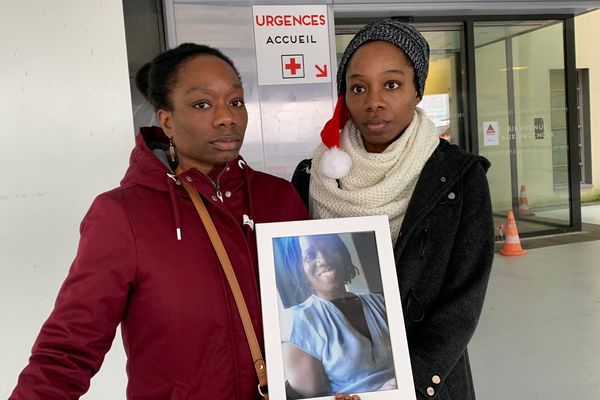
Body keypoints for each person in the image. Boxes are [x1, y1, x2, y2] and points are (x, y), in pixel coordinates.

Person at [10, 43, 309, 400]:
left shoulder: (278, 198)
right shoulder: (123, 215)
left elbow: (313, 311)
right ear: (166, 120)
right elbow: (69, 349)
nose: (226, 117)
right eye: (202, 104)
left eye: (235, 101)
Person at [291, 19, 494, 400]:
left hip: (427, 382)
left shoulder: (458, 178)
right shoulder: (311, 176)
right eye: (358, 87)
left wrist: (411, 383)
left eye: (392, 84)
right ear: (344, 95)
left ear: (417, 90)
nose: (374, 101)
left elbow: (463, 300)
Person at [281, 234, 395, 398]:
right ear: (300, 268)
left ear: (343, 254)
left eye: (330, 249)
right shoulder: (299, 321)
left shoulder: (379, 302)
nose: (323, 260)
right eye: (310, 256)